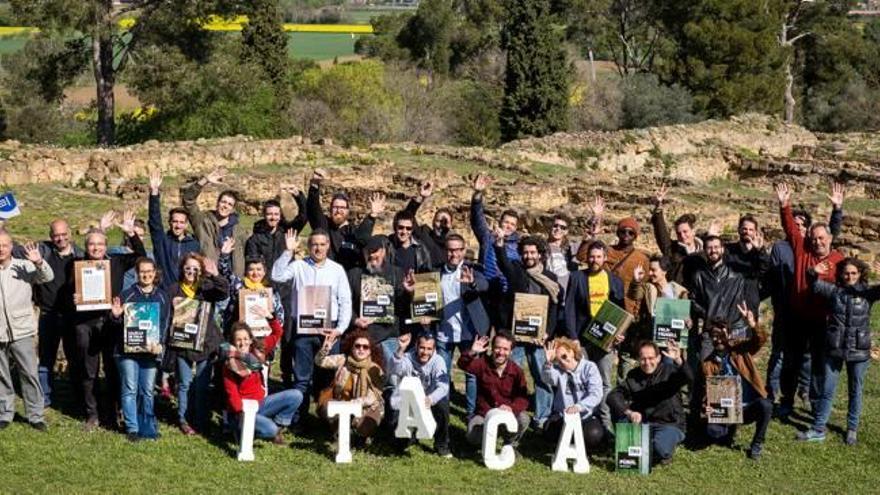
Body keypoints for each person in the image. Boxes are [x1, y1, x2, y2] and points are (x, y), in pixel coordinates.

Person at [763, 183, 844, 403]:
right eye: (814, 238)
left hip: (821, 321)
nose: (817, 241)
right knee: (792, 360)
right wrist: (784, 204)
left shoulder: (837, 260)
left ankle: (815, 402)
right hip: (797, 317)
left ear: (829, 239)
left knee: (818, 363)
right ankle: (787, 400)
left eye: (821, 238)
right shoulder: (802, 250)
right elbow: (790, 228)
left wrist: (837, 210)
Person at [73, 211, 146, 431]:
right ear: (87, 247)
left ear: (107, 246)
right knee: (89, 371)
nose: (96, 248)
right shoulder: (78, 264)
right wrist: (74, 297)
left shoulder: (116, 262)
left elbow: (141, 256)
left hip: (111, 322)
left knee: (114, 370)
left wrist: (131, 233)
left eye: (100, 244)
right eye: (92, 245)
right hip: (86, 323)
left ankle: (113, 413)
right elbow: (70, 290)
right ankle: (92, 414)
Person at [271, 229, 352, 416]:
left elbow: (345, 301)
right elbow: (277, 275)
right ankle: (300, 418)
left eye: (322, 244)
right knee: (302, 378)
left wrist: (339, 329)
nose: (318, 248)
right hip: (303, 331)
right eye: (314, 244)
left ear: (328, 246)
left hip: (329, 332)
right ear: (308, 246)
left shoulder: (337, 270)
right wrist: (287, 252)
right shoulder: (298, 266)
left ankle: (325, 419)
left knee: (327, 378)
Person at [799, 259, 879, 445]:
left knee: (855, 390)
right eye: (846, 273)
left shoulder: (868, 292)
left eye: (853, 273)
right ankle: (819, 428)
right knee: (827, 390)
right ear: (841, 274)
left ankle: (852, 429)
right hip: (835, 349)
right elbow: (813, 284)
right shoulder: (834, 291)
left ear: (860, 274)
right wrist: (813, 271)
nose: (849, 277)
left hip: (859, 350)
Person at [493, 231, 561, 429]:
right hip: (517, 337)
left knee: (542, 377)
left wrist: (548, 331)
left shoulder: (550, 278)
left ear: (540, 254)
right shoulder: (516, 270)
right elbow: (503, 261)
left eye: (532, 252)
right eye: (525, 252)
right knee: (508, 375)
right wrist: (499, 243)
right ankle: (507, 412)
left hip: (540, 339)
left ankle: (542, 418)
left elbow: (555, 307)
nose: (529, 256)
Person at [245, 189, 308, 389]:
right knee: (261, 333)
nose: (273, 217)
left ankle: (286, 373)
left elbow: (304, 216)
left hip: (286, 289)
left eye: (276, 214)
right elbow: (251, 264)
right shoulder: (255, 239)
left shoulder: (288, 233)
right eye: (269, 214)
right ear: (264, 216)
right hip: (262, 291)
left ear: (280, 216)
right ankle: (259, 371)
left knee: (286, 333)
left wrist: (299, 196)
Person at [564, 240, 625, 433]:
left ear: (605, 258)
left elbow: (620, 311)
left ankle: (605, 424)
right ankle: (581, 422)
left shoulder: (614, 281)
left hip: (605, 340)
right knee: (581, 380)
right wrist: (573, 336)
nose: (594, 260)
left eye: (599, 256)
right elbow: (569, 308)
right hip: (582, 338)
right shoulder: (577, 277)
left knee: (605, 382)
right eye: (591, 256)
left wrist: (619, 334)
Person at [165, 252, 229, 435]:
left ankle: (201, 419)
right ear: (182, 270)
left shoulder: (206, 287)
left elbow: (224, 291)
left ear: (200, 271)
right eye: (188, 268)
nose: (191, 272)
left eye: (195, 268)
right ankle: (184, 419)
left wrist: (215, 274)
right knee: (184, 383)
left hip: (206, 343)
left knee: (201, 384)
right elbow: (166, 315)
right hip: (182, 344)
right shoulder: (174, 290)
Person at [108, 257, 170, 442]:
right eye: (142, 271)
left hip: (150, 352)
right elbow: (115, 323)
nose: (146, 275)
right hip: (126, 352)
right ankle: (132, 428)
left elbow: (164, 324)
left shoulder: (162, 296)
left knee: (147, 390)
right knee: (130, 388)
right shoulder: (126, 294)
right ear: (137, 273)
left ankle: (148, 427)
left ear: (155, 272)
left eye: (149, 271)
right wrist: (115, 316)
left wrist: (160, 344)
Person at [428, 233, 490, 418]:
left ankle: (472, 415)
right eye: (450, 250)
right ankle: (442, 413)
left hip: (469, 333)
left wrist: (472, 283)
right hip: (444, 333)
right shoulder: (435, 273)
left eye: (457, 250)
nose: (453, 254)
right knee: (441, 374)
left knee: (471, 375)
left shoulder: (472, 270)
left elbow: (484, 284)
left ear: (464, 251)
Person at [700, 303, 772, 460]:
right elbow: (707, 392)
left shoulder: (741, 350)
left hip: (747, 407)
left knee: (766, 405)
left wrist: (753, 324)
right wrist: (706, 408)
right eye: (714, 335)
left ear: (728, 333)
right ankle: (729, 427)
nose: (717, 339)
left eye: (720, 334)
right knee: (713, 433)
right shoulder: (708, 364)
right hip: (727, 409)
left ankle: (757, 444)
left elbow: (760, 340)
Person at [607, 340, 692, 466]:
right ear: (638, 359)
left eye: (651, 358)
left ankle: (658, 448)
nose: (647, 363)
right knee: (618, 407)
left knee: (659, 448)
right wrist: (629, 412)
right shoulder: (633, 375)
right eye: (643, 359)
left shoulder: (670, 371)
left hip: (669, 424)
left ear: (658, 358)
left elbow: (689, 377)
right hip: (645, 423)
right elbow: (613, 396)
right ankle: (632, 447)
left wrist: (679, 360)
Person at [0, 235, 54, 431]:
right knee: (2, 375)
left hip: (21, 329)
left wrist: (39, 262)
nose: (1, 249)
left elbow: (47, 277)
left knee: (29, 373)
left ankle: (35, 415)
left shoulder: (24, 265)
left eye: (5, 245)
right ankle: (5, 412)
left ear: (11, 247)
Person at [221, 317, 304, 445]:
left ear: (250, 339)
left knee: (296, 395)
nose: (242, 343)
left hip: (260, 404)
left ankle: (277, 425)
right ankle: (243, 431)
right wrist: (242, 415)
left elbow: (278, 333)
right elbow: (232, 395)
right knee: (270, 429)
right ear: (233, 342)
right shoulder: (229, 364)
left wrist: (270, 317)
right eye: (238, 340)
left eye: (245, 339)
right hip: (241, 411)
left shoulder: (257, 351)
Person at [32, 219, 83, 407]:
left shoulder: (80, 256)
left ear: (69, 233)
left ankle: (79, 398)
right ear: (50, 236)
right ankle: (44, 398)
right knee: (46, 359)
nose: (60, 238)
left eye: (63, 234)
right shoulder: (43, 253)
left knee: (75, 359)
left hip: (73, 315)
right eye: (56, 235)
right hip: (49, 314)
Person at [458, 332, 531, 449]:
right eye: (497, 348)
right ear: (492, 348)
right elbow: (462, 364)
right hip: (484, 414)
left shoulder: (517, 371)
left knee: (524, 419)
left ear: (511, 351)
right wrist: (472, 352)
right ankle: (489, 438)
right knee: (472, 438)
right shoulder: (482, 364)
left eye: (505, 349)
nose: (501, 352)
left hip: (507, 413)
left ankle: (510, 444)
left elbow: (523, 398)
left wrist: (511, 408)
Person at [305, 168, 383, 271]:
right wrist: (314, 185)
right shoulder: (325, 227)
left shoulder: (353, 231)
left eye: (342, 208)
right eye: (335, 207)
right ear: (330, 209)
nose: (338, 210)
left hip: (348, 282)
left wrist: (372, 215)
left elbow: (362, 238)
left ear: (347, 211)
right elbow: (313, 209)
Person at [315, 329, 385, 443]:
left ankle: (360, 433)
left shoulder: (375, 369)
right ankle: (340, 430)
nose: (361, 349)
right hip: (342, 402)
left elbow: (373, 397)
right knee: (327, 407)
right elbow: (319, 362)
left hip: (365, 406)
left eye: (365, 347)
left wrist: (357, 404)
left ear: (370, 351)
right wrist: (325, 349)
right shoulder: (343, 360)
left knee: (365, 427)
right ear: (352, 348)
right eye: (357, 346)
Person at [388, 331, 451, 457]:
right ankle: (411, 436)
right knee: (398, 444)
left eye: (429, 349)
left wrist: (431, 398)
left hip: (428, 401)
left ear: (434, 349)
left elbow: (443, 386)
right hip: (407, 402)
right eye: (422, 347)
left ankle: (441, 445)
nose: (425, 352)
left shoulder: (438, 361)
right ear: (416, 346)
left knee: (443, 405)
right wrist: (401, 349)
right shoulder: (407, 357)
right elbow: (394, 369)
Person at [347, 236, 409, 362]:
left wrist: (409, 292)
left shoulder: (396, 273)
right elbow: (345, 304)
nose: (372, 255)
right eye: (368, 252)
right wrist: (355, 319)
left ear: (383, 251)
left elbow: (403, 307)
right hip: (362, 339)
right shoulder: (354, 274)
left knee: (391, 378)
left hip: (389, 337)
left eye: (375, 251)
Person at [469, 173, 520, 327]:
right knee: (481, 331)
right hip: (485, 291)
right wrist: (477, 195)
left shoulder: (519, 246)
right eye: (506, 222)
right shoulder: (488, 237)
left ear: (516, 228)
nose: (508, 226)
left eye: (512, 224)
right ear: (500, 222)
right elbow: (477, 218)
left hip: (505, 297)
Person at [539, 338, 605, 449]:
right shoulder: (558, 370)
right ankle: (571, 441)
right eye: (558, 360)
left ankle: (577, 442)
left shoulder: (589, 367)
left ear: (572, 351)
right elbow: (547, 379)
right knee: (548, 433)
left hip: (585, 417)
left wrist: (579, 407)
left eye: (564, 356)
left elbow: (596, 394)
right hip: (563, 416)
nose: (563, 362)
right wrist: (548, 363)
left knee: (594, 435)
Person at [627, 255, 689, 372]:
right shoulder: (647, 288)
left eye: (653, 270)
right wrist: (636, 280)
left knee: (670, 373)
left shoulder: (679, 291)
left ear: (664, 271)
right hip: (652, 342)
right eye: (649, 270)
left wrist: (687, 321)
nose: (650, 273)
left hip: (671, 342)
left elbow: (685, 316)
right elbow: (634, 295)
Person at [180, 169, 247, 275]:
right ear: (217, 203)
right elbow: (188, 200)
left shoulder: (240, 231)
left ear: (233, 209)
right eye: (223, 202)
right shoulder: (202, 221)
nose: (225, 206)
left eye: (229, 204)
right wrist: (204, 180)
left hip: (233, 282)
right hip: (209, 279)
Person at [218, 238, 284, 336]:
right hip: (240, 337)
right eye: (251, 269)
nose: (255, 273)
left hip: (264, 336)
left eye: (259, 269)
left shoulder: (271, 291)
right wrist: (224, 255)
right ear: (246, 272)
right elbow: (225, 272)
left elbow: (279, 316)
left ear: (264, 272)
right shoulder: (238, 285)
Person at [148, 169, 200, 289]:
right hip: (165, 291)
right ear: (170, 223)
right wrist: (154, 194)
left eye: (181, 222)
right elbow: (155, 222)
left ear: (186, 224)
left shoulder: (194, 245)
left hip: (187, 293)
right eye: (175, 221)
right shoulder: (162, 241)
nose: (178, 225)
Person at [650, 185, 704, 284]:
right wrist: (658, 206)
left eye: (685, 232)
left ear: (693, 231)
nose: (682, 236)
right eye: (679, 233)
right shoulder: (671, 250)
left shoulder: (704, 251)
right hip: (676, 297)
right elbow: (661, 232)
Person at [398, 180, 452, 266]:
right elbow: (407, 217)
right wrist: (421, 197)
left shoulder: (454, 244)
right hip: (424, 277)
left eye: (445, 222)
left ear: (451, 224)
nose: (441, 225)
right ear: (433, 221)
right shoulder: (424, 234)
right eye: (439, 221)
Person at [723, 214, 770, 282]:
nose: (747, 232)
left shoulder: (759, 254)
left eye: (751, 230)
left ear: (755, 232)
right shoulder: (728, 250)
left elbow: (765, 270)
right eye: (744, 229)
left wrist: (760, 250)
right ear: (739, 230)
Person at [387, 209, 433, 274]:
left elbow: (427, 275)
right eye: (401, 227)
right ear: (395, 227)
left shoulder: (421, 248)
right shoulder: (386, 245)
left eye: (408, 228)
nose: (404, 232)